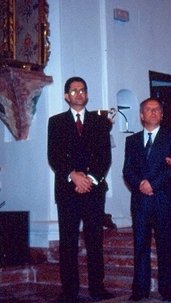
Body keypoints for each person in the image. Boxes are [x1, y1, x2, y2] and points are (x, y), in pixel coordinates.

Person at [47, 76, 114, 302]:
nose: (79, 94)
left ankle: (97, 288)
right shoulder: (55, 122)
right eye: (74, 91)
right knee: (68, 241)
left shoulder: (100, 122)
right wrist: (73, 176)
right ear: (66, 96)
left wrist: (90, 179)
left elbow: (105, 156)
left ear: (87, 95)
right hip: (67, 190)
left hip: (93, 190)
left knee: (95, 240)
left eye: (82, 90)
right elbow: (53, 156)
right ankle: (69, 290)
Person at [123, 98, 171, 302]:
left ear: (162, 114)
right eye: (149, 109)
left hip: (163, 200)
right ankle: (139, 291)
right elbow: (127, 169)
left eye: (157, 109)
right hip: (140, 202)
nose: (154, 112)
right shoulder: (132, 141)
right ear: (141, 115)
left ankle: (169, 291)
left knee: (166, 247)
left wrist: (153, 185)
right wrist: (141, 184)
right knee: (140, 247)